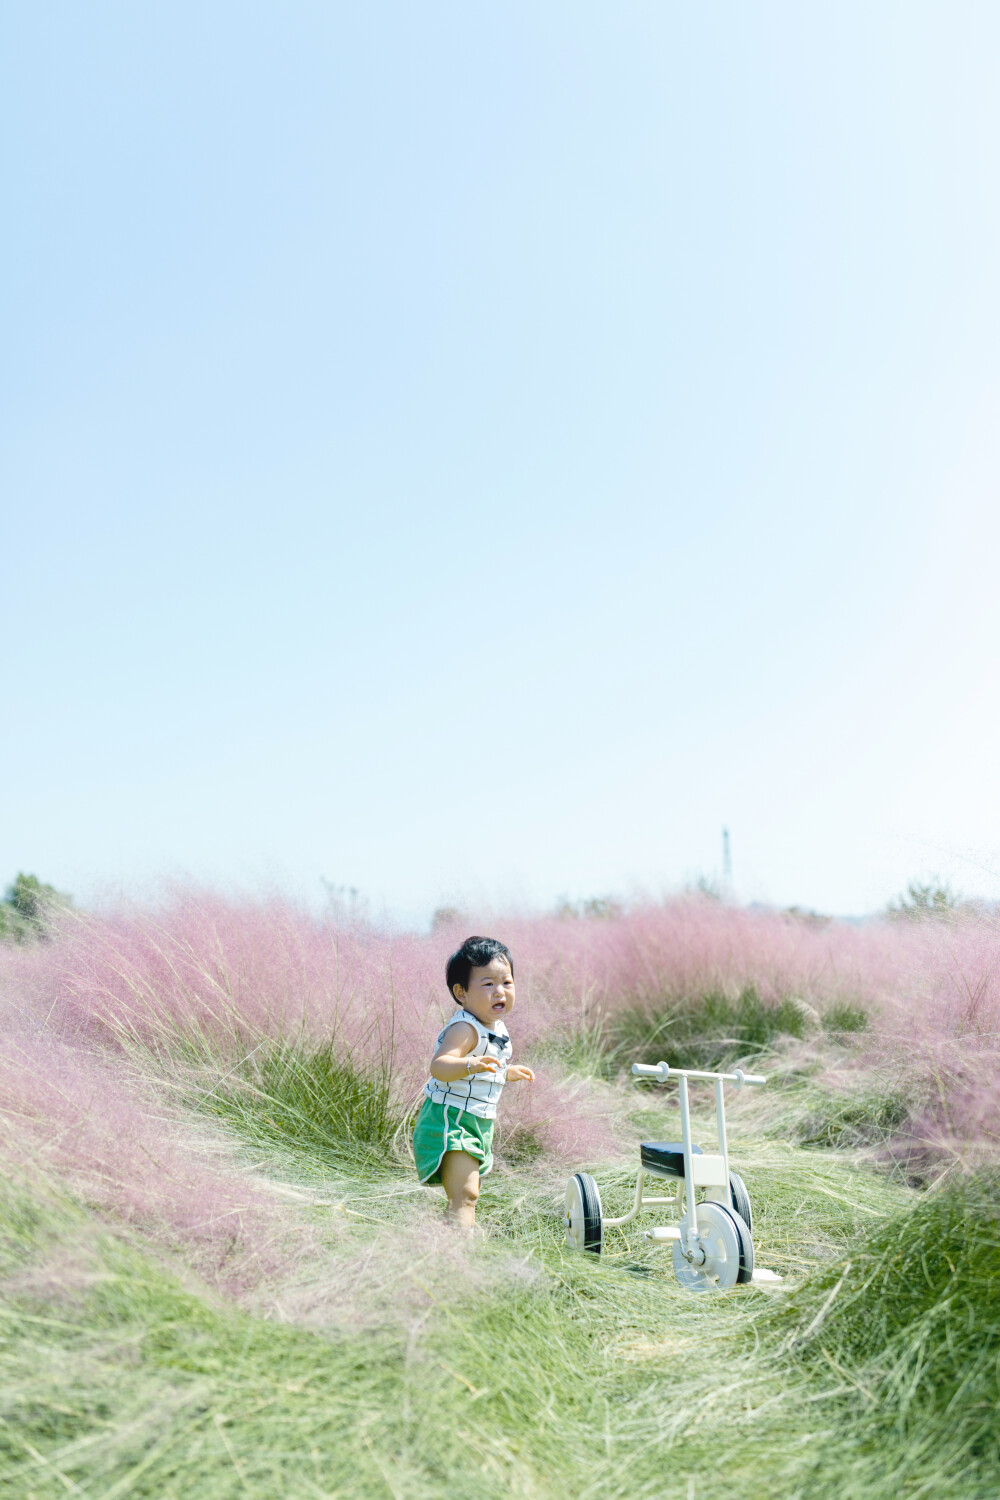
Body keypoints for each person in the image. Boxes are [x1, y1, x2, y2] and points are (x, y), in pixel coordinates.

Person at [413, 935, 534, 1229]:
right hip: (450, 1118)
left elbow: (483, 1070)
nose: (500, 992)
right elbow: (440, 1066)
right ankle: (461, 1255)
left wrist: (505, 1073)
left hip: (478, 1122)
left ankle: (442, 1240)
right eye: (488, 984)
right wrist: (470, 1064)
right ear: (461, 992)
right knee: (466, 1194)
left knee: (465, 1196)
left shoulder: (497, 1028)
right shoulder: (465, 1028)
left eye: (507, 982)